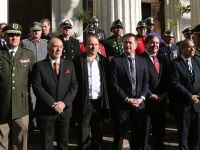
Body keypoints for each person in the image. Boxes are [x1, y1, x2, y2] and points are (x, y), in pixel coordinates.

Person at [32, 38, 78, 150]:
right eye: (55, 46)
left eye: (61, 47)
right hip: (46, 112)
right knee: (46, 145)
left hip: (64, 112)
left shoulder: (69, 65)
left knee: (63, 145)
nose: (58, 49)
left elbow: (74, 86)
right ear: (48, 49)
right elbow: (37, 87)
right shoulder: (39, 66)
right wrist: (53, 104)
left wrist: (63, 103)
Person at [110, 33, 149, 150]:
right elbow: (113, 84)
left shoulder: (142, 61)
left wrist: (142, 98)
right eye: (125, 42)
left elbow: (146, 82)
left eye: (130, 42)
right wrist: (127, 99)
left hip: (139, 104)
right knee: (119, 136)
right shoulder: (116, 61)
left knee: (137, 135)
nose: (127, 45)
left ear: (136, 45)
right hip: (122, 105)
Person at [0, 23, 35, 150]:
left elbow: (32, 79)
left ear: (20, 37)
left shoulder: (28, 54)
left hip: (21, 106)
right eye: (10, 35)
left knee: (20, 142)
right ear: (4, 36)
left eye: (17, 35)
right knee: (1, 141)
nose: (14, 37)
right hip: (2, 106)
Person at [73, 34, 110, 150]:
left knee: (98, 133)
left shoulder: (104, 62)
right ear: (85, 45)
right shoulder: (77, 62)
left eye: (96, 44)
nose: (93, 47)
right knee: (83, 134)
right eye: (90, 44)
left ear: (99, 46)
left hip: (99, 102)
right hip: (85, 102)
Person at [170, 39, 200, 150]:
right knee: (184, 135)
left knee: (196, 135)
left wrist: (198, 96)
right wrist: (190, 96)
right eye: (189, 47)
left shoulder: (197, 62)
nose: (192, 49)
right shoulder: (175, 63)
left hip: (197, 104)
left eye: (194, 47)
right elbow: (175, 83)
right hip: (183, 105)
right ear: (182, 49)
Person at [141, 35, 169, 150]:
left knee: (160, 130)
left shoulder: (162, 59)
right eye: (152, 42)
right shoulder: (140, 58)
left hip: (161, 100)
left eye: (157, 43)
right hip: (147, 101)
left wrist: (166, 93)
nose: (155, 45)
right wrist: (150, 94)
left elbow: (167, 78)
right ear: (146, 44)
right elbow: (139, 80)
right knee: (145, 132)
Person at [21, 21, 48, 131]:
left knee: (43, 98)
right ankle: (32, 124)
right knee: (31, 99)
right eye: (34, 31)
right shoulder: (24, 43)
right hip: (29, 74)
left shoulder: (46, 43)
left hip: (43, 75)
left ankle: (41, 123)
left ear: (42, 32)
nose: (36, 32)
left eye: (38, 30)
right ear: (31, 31)